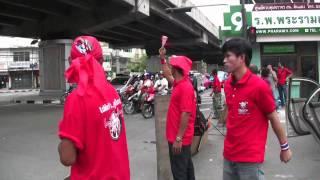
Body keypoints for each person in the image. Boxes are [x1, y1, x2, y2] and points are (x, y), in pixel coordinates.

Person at [57, 36, 130, 180]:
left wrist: (61, 145)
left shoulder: (77, 98)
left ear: (70, 62)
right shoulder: (112, 92)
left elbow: (67, 158)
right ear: (102, 62)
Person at [222, 38, 292, 180]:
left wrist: (285, 147)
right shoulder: (228, 84)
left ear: (241, 58)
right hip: (229, 155)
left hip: (250, 158)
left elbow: (273, 117)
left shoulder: (259, 86)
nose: (224, 60)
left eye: (228, 56)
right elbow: (230, 111)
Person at [159, 48, 196, 180]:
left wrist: (178, 139)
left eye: (171, 65)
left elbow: (185, 113)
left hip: (179, 138)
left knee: (179, 173)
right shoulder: (179, 83)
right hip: (178, 137)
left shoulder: (185, 87)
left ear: (176, 68)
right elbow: (167, 74)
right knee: (186, 169)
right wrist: (162, 59)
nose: (170, 67)